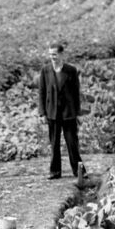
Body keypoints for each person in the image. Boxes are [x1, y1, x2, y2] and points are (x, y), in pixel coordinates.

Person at [38, 42, 83, 180]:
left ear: (62, 54)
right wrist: (42, 112)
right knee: (54, 143)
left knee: (72, 143)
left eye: (55, 54)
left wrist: (77, 112)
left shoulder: (71, 70)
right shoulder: (45, 71)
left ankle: (79, 171)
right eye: (50, 54)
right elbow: (42, 92)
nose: (52, 57)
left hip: (68, 113)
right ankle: (55, 171)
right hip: (52, 112)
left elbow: (76, 93)